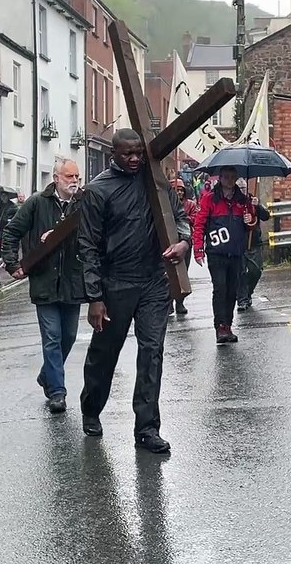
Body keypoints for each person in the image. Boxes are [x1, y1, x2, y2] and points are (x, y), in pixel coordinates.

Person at [78, 129, 191, 454]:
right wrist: (95, 297)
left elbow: (180, 219)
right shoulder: (99, 191)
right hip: (116, 282)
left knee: (152, 352)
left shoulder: (156, 185)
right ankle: (91, 407)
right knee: (105, 351)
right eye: (127, 153)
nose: (134, 159)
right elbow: (88, 246)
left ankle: (147, 428)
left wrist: (183, 243)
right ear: (114, 153)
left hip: (154, 281)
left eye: (139, 153)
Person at [3, 157, 85, 414]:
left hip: (73, 281)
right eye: (69, 177)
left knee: (69, 337)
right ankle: (57, 393)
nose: (74, 181)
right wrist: (11, 263)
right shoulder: (37, 203)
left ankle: (47, 375)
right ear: (56, 178)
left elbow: (96, 235)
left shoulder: (84, 204)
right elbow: (11, 231)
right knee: (52, 337)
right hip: (45, 281)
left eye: (77, 177)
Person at [192, 166, 261, 344]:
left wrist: (250, 220)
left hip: (236, 253)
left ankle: (228, 325)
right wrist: (198, 249)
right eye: (226, 177)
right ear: (220, 178)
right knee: (220, 288)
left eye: (232, 177)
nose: (229, 180)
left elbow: (251, 225)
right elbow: (199, 224)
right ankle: (220, 327)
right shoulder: (209, 199)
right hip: (216, 253)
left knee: (232, 291)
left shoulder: (244, 200)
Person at [236, 179, 271, 311]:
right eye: (239, 188)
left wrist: (258, 206)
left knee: (255, 271)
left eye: (243, 188)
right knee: (241, 273)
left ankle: (248, 293)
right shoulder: (233, 202)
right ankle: (242, 299)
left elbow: (266, 216)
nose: (242, 190)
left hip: (254, 242)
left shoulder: (253, 200)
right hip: (239, 243)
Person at [171, 178, 198, 318]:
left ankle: (179, 302)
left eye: (181, 190)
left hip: (185, 241)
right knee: (168, 273)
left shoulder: (190, 204)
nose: (179, 193)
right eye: (177, 190)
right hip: (169, 241)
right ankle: (168, 302)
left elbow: (195, 218)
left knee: (183, 272)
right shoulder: (167, 204)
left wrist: (182, 217)